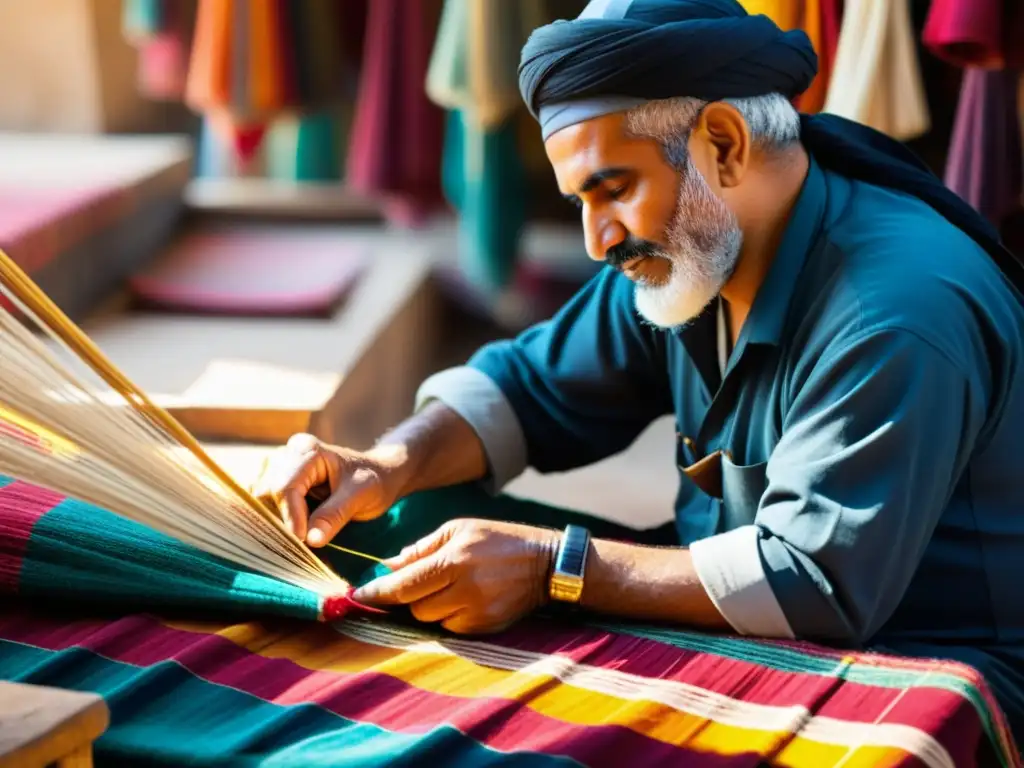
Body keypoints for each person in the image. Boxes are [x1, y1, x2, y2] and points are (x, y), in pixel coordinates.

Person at [252, 0, 1024, 741]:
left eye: (611, 190)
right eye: (581, 201)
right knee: (391, 521)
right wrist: (384, 461)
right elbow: (528, 388)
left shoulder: (897, 310)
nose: (595, 241)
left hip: (925, 669)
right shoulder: (692, 252)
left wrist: (556, 569)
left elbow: (810, 583)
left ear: (723, 144)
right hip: (763, 619)